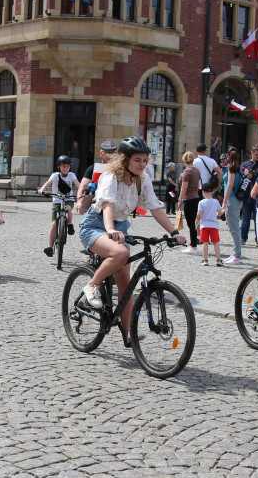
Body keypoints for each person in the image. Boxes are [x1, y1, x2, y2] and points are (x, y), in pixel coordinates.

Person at [77, 136, 186, 347]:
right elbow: (107, 205)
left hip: (120, 228)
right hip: (96, 225)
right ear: (125, 159)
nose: (142, 164)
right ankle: (92, 285)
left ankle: (128, 333)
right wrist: (110, 229)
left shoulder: (142, 180)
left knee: (125, 284)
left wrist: (174, 232)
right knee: (121, 253)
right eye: (137, 160)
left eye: (145, 160)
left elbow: (155, 208)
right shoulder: (111, 177)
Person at [37, 154, 78, 256]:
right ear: (59, 166)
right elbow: (48, 182)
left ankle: (69, 224)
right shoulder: (55, 175)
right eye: (63, 166)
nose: (66, 168)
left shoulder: (72, 175)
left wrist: (82, 191)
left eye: (68, 166)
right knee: (54, 224)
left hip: (68, 199)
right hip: (57, 200)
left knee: (68, 209)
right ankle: (50, 247)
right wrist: (42, 190)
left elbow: (78, 184)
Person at [76, 140, 117, 214]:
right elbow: (83, 186)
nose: (110, 155)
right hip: (95, 204)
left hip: (114, 204)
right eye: (107, 152)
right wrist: (79, 201)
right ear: (101, 153)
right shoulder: (93, 168)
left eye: (113, 152)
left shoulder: (119, 170)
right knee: (86, 221)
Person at [220, 154, 243, 264]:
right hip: (237, 199)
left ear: (229, 156)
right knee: (234, 226)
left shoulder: (231, 169)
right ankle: (235, 253)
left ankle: (237, 255)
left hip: (232, 198)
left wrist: (224, 201)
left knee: (234, 228)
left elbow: (229, 185)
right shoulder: (239, 168)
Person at [241, 145, 258, 243]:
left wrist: (254, 176)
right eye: (256, 154)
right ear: (252, 153)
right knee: (245, 218)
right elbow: (240, 178)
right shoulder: (245, 164)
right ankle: (243, 238)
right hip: (246, 195)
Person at [178, 151, 202, 253]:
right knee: (193, 222)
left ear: (184, 161)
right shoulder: (196, 170)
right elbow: (198, 183)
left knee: (190, 223)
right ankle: (193, 243)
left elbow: (184, 187)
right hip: (196, 197)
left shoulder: (187, 172)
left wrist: (180, 199)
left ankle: (193, 246)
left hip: (189, 198)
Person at [196, 181, 224, 267]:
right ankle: (218, 259)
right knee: (216, 242)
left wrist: (197, 220)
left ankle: (205, 260)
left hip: (204, 225)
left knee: (205, 243)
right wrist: (224, 209)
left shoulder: (201, 202)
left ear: (203, 192)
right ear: (212, 191)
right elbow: (219, 213)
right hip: (214, 225)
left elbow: (199, 215)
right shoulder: (216, 202)